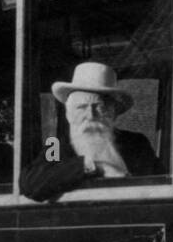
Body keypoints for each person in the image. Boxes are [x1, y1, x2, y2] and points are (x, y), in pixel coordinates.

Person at [20, 62, 159, 201]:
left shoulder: (136, 143)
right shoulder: (56, 145)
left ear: (113, 113)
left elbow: (158, 186)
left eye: (99, 107)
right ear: (69, 115)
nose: (90, 115)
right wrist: (91, 165)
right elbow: (32, 183)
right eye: (81, 107)